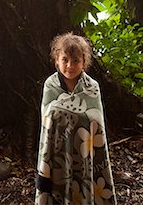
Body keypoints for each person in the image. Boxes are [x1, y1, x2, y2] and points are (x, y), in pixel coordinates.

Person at [35, 32, 117, 205]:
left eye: (75, 61)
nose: (70, 66)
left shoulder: (92, 87)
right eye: (65, 60)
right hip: (57, 152)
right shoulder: (50, 85)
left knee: (83, 189)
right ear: (57, 60)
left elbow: (95, 120)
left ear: (84, 62)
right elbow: (47, 117)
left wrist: (63, 111)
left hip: (85, 153)